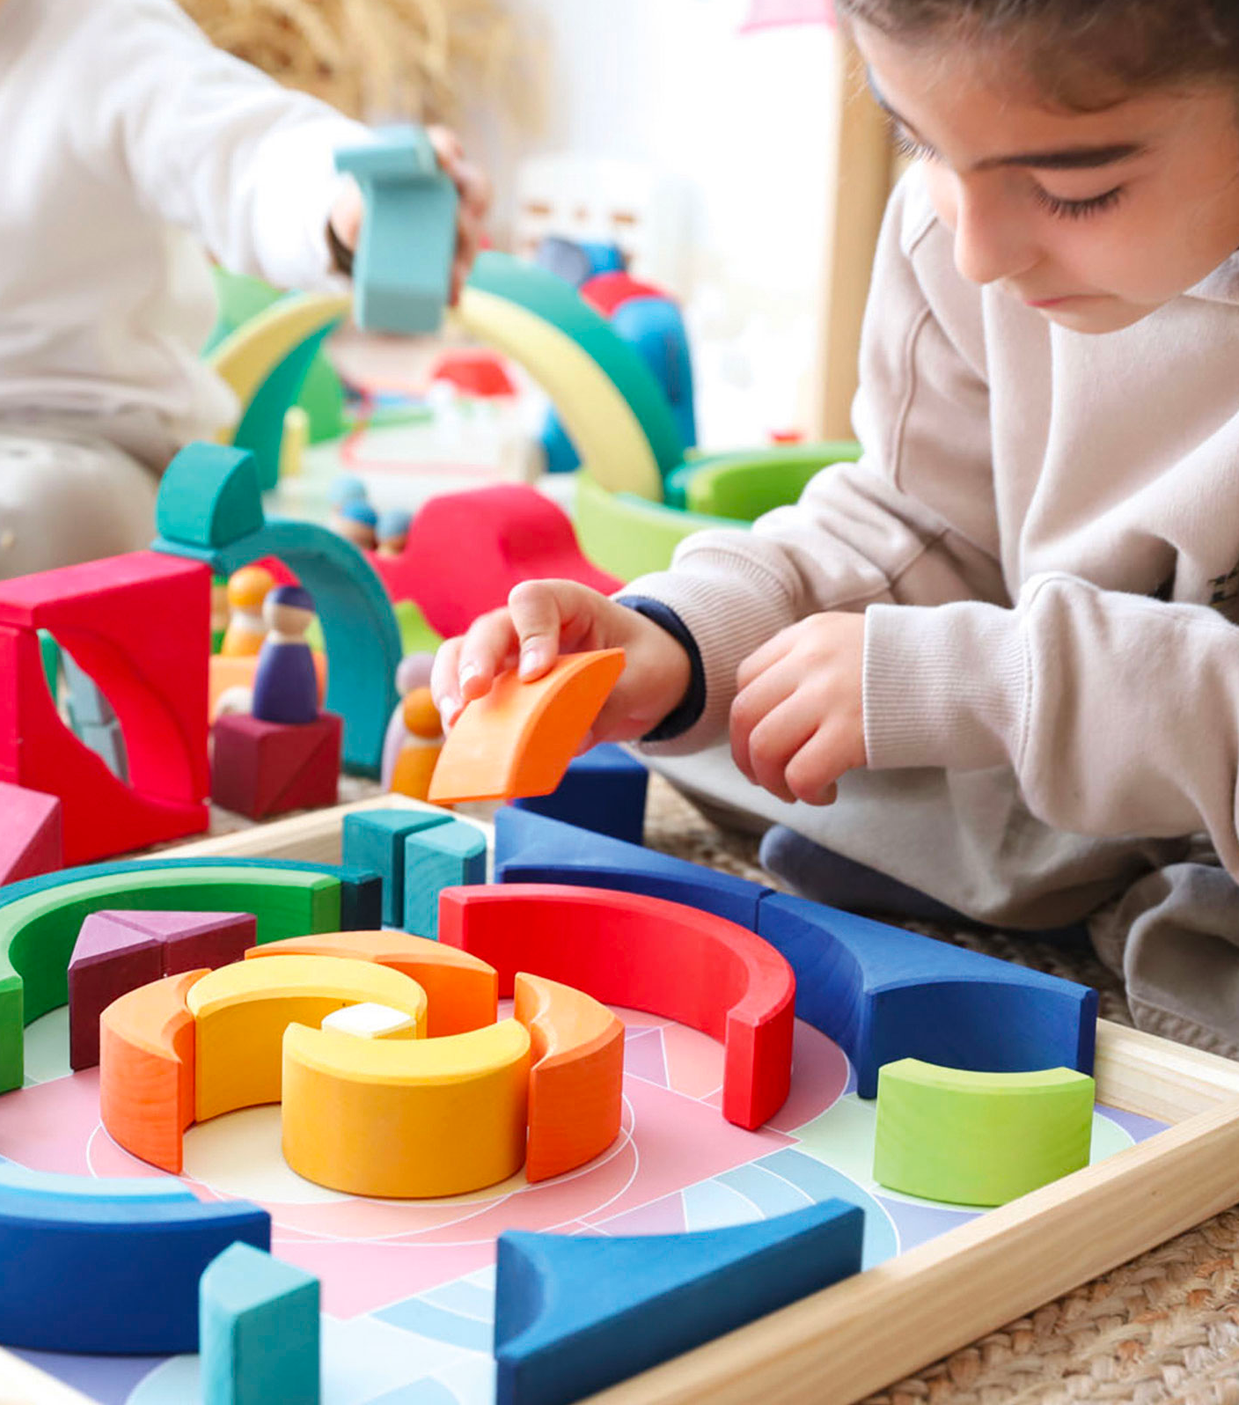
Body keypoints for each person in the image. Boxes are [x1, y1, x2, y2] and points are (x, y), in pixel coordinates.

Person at [434, 0, 1239, 1057]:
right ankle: (1093, 875)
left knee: (907, 712)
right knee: (761, 718)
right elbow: (912, 524)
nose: (979, 251)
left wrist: (980, 681)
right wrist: (678, 641)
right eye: (920, 143)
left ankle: (1114, 888)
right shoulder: (953, 228)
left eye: (1072, 191)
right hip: (1096, 748)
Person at [0, 0, 487, 606]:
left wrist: (344, 206)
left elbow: (246, 152)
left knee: (72, 523)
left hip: (59, 434)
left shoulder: (103, 34)